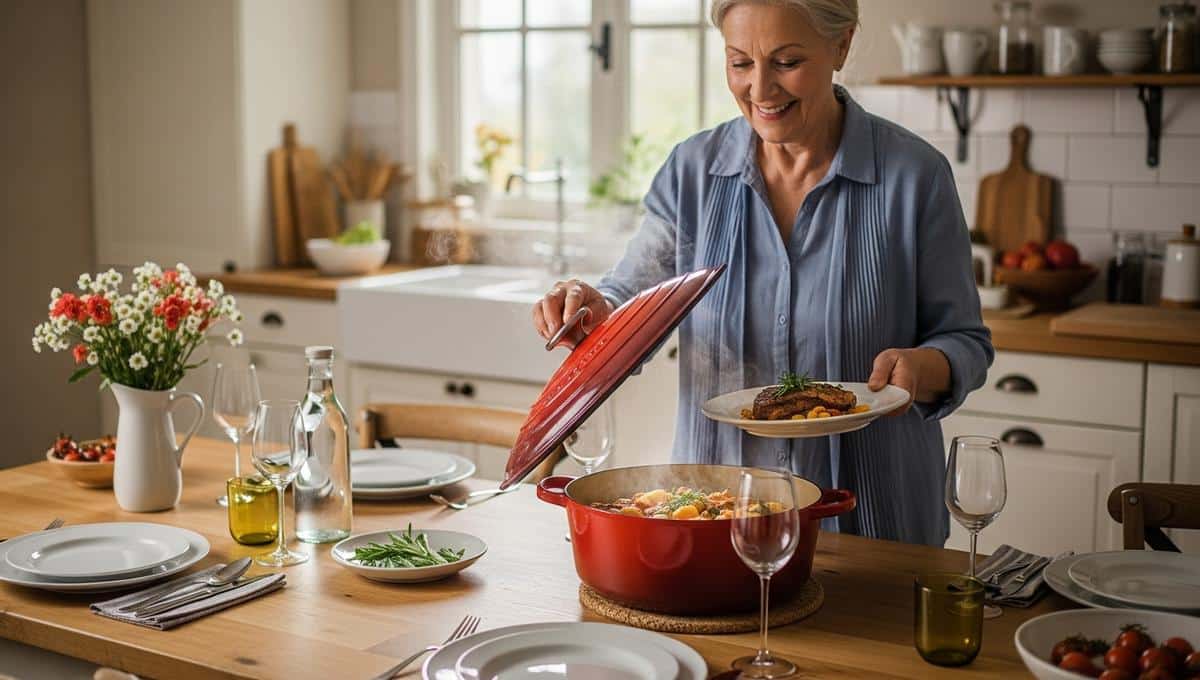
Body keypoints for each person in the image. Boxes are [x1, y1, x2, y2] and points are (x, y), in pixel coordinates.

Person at [532, 0, 993, 546]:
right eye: (740, 63)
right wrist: (590, 307)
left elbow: (966, 342)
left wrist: (924, 366)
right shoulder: (692, 173)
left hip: (874, 520)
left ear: (840, 46)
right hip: (718, 515)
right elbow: (628, 299)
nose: (760, 90)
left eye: (786, 61)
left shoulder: (914, 176)